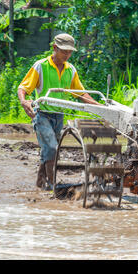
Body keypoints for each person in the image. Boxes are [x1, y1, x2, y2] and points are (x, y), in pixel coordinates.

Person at [17, 33, 100, 190]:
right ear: (55, 48)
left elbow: (80, 93)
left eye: (70, 52)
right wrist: (24, 101)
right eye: (64, 51)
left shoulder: (71, 70)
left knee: (48, 150)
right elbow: (23, 87)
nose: (67, 55)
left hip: (58, 116)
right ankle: (52, 184)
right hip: (42, 115)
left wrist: (98, 106)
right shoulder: (41, 66)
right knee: (52, 148)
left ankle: (40, 183)